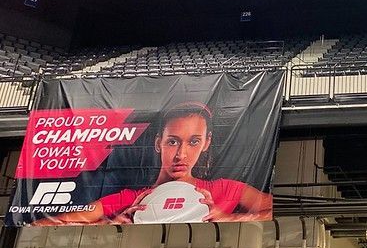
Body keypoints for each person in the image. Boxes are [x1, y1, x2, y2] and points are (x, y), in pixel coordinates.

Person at [34, 102, 272, 225]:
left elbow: (273, 209)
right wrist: (107, 224)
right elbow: (46, 224)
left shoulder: (226, 189)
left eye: (194, 141)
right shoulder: (129, 199)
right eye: (172, 142)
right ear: (159, 143)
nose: (181, 154)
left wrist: (233, 218)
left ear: (206, 143)